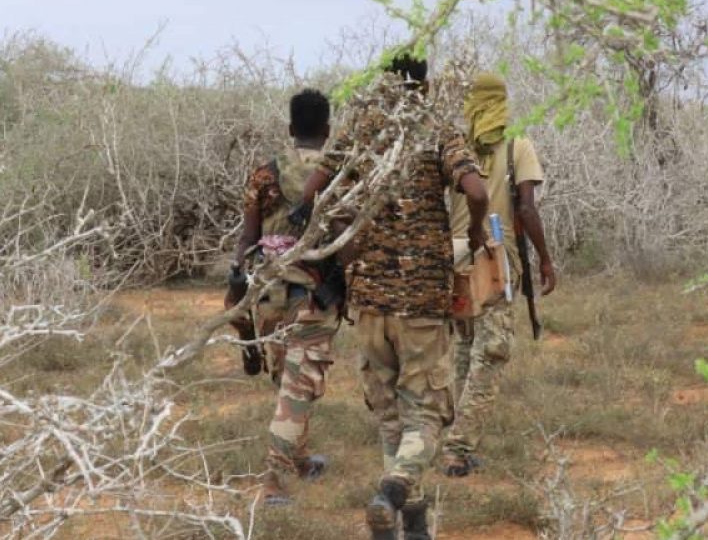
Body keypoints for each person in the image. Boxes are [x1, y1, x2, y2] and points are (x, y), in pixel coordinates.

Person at [300, 53, 489, 540]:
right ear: (423, 86)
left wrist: (345, 256)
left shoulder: (360, 130)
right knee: (424, 413)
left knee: (390, 414)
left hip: (368, 300)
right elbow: (476, 189)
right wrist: (479, 237)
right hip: (421, 301)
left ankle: (409, 526)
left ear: (384, 83)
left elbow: (312, 193)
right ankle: (398, 487)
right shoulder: (435, 127)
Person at [224, 88, 342, 506]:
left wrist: (238, 281)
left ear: (291, 129)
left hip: (269, 290)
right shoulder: (338, 174)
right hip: (313, 293)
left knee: (289, 380)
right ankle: (273, 480)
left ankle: (301, 457)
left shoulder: (265, 173)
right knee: (299, 383)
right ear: (328, 131)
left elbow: (248, 238)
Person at [441, 72, 557, 477]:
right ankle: (458, 447)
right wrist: (544, 258)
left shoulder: (454, 147)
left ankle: (458, 432)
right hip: (496, 260)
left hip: (456, 255)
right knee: (491, 351)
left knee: (464, 346)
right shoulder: (517, 145)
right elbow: (525, 208)